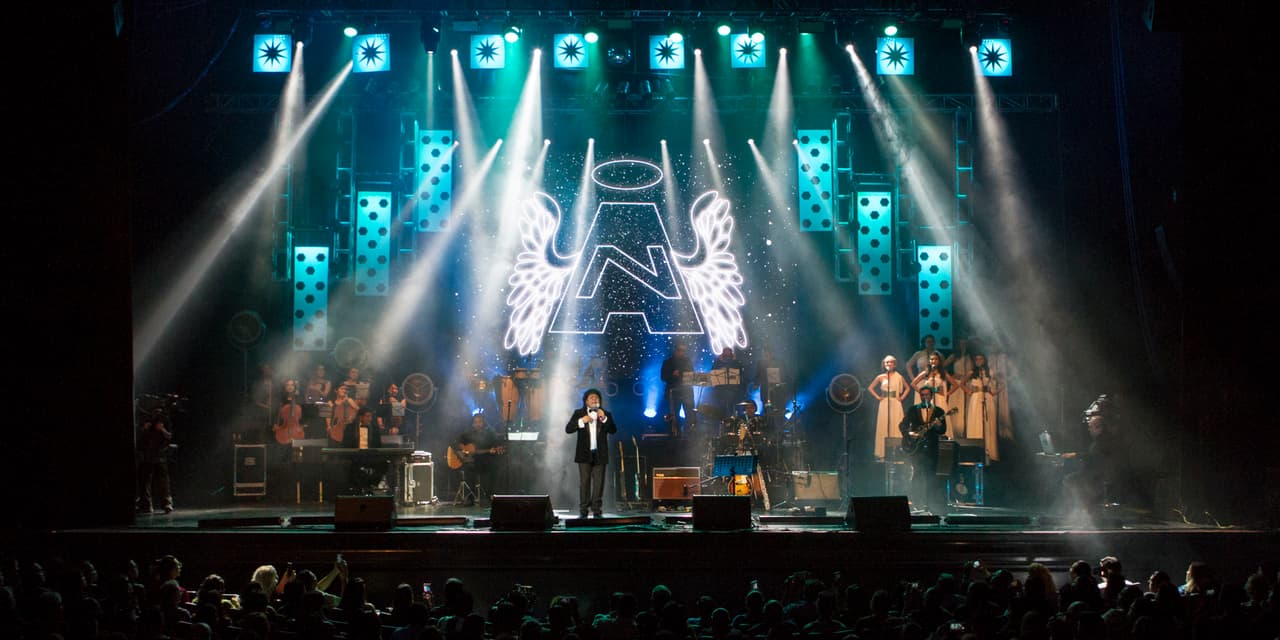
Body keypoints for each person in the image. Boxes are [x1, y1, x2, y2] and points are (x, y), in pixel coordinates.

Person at [565, 388, 618, 518]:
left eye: (597, 398)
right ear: (586, 401)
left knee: (599, 484)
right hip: (584, 454)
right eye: (592, 397)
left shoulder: (606, 414)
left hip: (600, 454)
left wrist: (604, 418)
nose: (595, 399)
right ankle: (583, 510)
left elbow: (613, 430)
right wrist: (581, 421)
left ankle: (596, 510)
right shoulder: (579, 413)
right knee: (585, 483)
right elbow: (568, 429)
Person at [898, 386, 948, 513]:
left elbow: (943, 430)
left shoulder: (939, 411)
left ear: (931, 396)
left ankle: (930, 505)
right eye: (922, 395)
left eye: (927, 395)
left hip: (932, 448)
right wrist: (909, 435)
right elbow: (902, 425)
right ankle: (916, 503)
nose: (925, 397)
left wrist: (938, 426)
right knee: (917, 475)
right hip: (916, 449)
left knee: (931, 476)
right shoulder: (913, 409)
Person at [451, 413, 505, 506]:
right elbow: (454, 441)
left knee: (494, 467)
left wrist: (494, 449)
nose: (477, 424)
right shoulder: (468, 433)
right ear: (473, 424)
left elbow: (497, 443)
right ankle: (470, 498)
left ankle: (490, 496)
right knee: (468, 469)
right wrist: (461, 452)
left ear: (483, 423)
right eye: (475, 422)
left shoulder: (490, 433)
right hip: (472, 462)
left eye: (479, 422)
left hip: (485, 461)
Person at [910, 352, 962, 439]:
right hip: (929, 399)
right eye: (932, 359)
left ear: (939, 361)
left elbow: (955, 385)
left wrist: (947, 394)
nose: (933, 361)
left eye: (936, 359)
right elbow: (913, 383)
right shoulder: (925, 373)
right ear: (929, 361)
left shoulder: (943, 373)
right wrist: (923, 393)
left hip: (940, 399)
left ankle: (943, 437)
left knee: (940, 418)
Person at [867, 355, 909, 461]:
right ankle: (882, 453)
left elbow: (907, 388)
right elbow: (870, 388)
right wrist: (878, 397)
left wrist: (902, 397)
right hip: (884, 403)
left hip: (895, 402)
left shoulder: (899, 376)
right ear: (884, 364)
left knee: (896, 424)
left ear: (894, 364)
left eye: (890, 362)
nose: (888, 364)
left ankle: (897, 453)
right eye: (886, 363)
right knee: (883, 425)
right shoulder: (880, 377)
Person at [961, 354, 1001, 462]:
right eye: (977, 359)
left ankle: (990, 453)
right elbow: (962, 383)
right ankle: (977, 452)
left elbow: (1001, 383)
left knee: (988, 424)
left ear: (984, 360)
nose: (979, 361)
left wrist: (994, 392)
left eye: (981, 359)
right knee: (976, 422)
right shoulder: (971, 373)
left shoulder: (989, 372)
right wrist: (969, 392)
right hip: (976, 399)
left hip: (987, 398)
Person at [340, 407, 387, 494]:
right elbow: (345, 444)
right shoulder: (350, 428)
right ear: (360, 417)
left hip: (370, 455)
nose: (370, 419)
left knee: (384, 464)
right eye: (367, 416)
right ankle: (358, 487)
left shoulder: (375, 428)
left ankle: (371, 484)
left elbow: (378, 445)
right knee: (350, 466)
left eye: (370, 416)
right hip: (355, 456)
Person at [136, 409, 175, 514]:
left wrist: (161, 429)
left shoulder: (165, 420)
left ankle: (167, 504)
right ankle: (146, 505)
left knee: (163, 482)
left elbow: (169, 437)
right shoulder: (145, 421)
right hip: (147, 456)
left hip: (159, 456)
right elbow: (139, 439)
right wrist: (144, 429)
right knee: (144, 482)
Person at [660, 344, 695, 437]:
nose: (682, 352)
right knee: (674, 414)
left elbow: (691, 375)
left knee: (690, 413)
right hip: (674, 392)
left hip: (686, 392)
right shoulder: (667, 362)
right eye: (679, 350)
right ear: (675, 350)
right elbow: (663, 377)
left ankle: (688, 434)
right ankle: (676, 434)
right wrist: (673, 375)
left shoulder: (687, 361)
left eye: (683, 350)